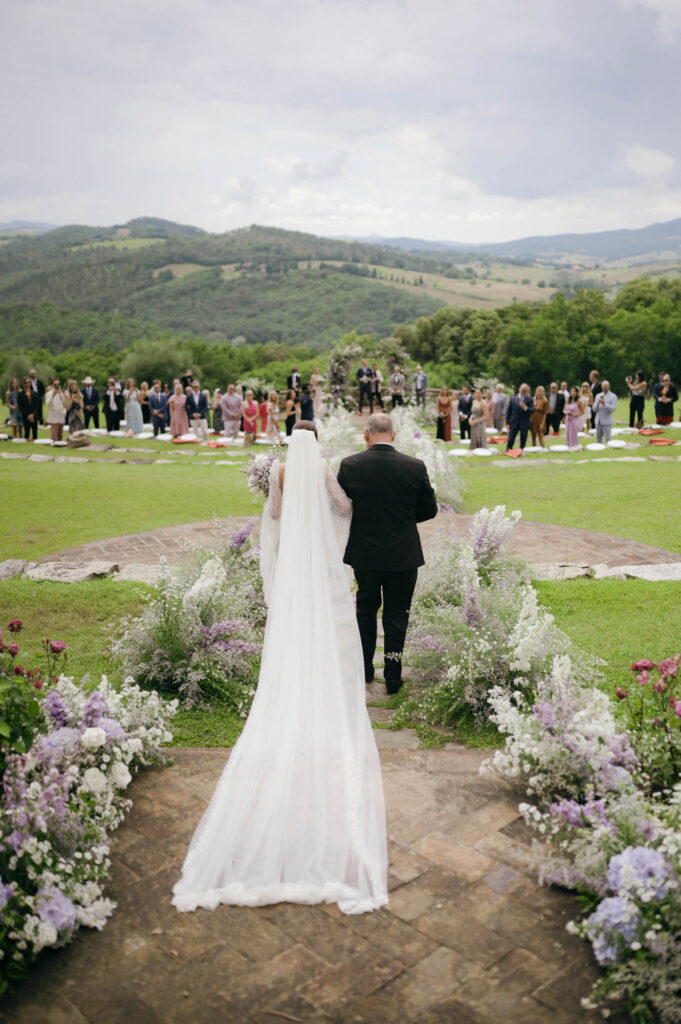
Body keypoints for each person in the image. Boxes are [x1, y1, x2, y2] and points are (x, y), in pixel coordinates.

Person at [172, 424, 388, 917]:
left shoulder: (279, 472)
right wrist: (332, 515)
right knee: (328, 616)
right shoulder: (324, 469)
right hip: (321, 560)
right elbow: (344, 507)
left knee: (293, 615)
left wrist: (284, 504)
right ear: (317, 442)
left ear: (290, 444)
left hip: (292, 560)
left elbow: (272, 515)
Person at [337, 412, 438, 693]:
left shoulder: (350, 465)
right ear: (393, 434)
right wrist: (403, 520)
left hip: (365, 553)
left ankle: (365, 669)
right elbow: (429, 510)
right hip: (403, 553)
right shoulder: (415, 466)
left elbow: (341, 508)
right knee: (397, 614)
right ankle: (393, 675)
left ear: (366, 435)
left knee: (365, 611)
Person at [505, 383, 534, 453]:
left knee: (523, 439)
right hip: (514, 422)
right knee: (511, 439)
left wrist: (525, 408)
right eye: (522, 389)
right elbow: (508, 411)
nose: (523, 391)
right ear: (519, 389)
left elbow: (532, 410)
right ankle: (508, 451)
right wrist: (507, 422)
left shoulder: (529, 399)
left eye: (524, 390)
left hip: (524, 422)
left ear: (526, 391)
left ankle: (521, 451)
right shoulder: (513, 398)